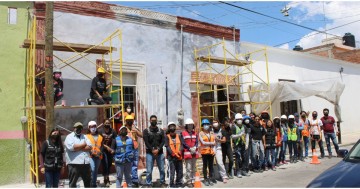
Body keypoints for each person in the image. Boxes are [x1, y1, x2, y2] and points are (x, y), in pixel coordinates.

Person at [64, 122, 92, 188]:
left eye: (80, 128)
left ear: (82, 129)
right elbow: (72, 147)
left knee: (88, 183)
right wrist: (83, 145)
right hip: (74, 164)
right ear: (74, 128)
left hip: (85, 163)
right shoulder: (69, 137)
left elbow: (90, 147)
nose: (78, 129)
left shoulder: (85, 136)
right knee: (73, 183)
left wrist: (78, 148)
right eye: (77, 127)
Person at [143, 115, 166, 188]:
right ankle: (149, 184)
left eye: (155, 120)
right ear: (150, 121)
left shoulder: (161, 130)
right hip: (150, 153)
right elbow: (146, 142)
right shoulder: (146, 131)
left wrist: (158, 149)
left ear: (156, 121)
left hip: (160, 153)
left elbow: (163, 141)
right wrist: (152, 150)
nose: (153, 121)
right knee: (149, 170)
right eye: (152, 120)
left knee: (162, 169)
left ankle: (162, 182)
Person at [124, 115, 142, 187]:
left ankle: (135, 180)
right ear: (126, 121)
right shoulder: (123, 129)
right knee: (128, 165)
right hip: (127, 149)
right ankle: (128, 180)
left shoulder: (135, 128)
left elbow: (142, 135)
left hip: (135, 148)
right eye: (128, 120)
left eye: (131, 120)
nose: (130, 121)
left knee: (135, 164)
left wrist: (136, 130)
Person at [180, 118, 199, 187]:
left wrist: (195, 147)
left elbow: (197, 141)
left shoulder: (195, 133)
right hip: (187, 153)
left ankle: (193, 180)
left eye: (191, 125)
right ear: (186, 126)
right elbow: (183, 142)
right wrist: (189, 148)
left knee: (193, 168)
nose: (190, 126)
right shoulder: (183, 133)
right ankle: (188, 182)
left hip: (194, 152)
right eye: (189, 125)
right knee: (188, 168)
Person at [165, 122, 183, 188]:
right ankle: (171, 183)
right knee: (172, 171)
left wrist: (180, 151)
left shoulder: (179, 136)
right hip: (171, 157)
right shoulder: (167, 137)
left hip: (179, 156)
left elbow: (181, 144)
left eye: (173, 126)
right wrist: (172, 154)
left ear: (175, 128)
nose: (172, 128)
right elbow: (167, 146)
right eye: (171, 126)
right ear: (169, 128)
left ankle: (178, 182)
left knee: (179, 170)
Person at [86, 121, 104, 188]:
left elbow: (102, 146)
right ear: (89, 128)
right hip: (91, 156)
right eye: (91, 127)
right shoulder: (87, 136)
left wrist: (100, 152)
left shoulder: (100, 136)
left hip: (99, 156)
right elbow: (86, 146)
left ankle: (94, 184)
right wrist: (91, 152)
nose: (93, 128)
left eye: (94, 126)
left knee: (96, 170)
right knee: (93, 169)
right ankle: (91, 183)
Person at [199, 119, 216, 186]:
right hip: (204, 152)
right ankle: (205, 179)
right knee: (205, 166)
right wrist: (212, 143)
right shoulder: (200, 133)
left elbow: (215, 142)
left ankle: (210, 178)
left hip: (211, 152)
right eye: (204, 125)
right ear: (202, 126)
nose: (206, 126)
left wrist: (214, 149)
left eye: (207, 124)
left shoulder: (211, 132)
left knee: (211, 166)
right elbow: (203, 142)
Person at [101, 120, 117, 187]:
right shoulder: (100, 131)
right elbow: (99, 141)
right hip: (103, 150)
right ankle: (106, 180)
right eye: (106, 123)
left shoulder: (113, 131)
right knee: (105, 164)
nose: (107, 124)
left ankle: (107, 178)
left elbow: (115, 140)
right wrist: (106, 147)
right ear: (103, 124)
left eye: (108, 123)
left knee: (109, 165)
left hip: (111, 151)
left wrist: (113, 149)